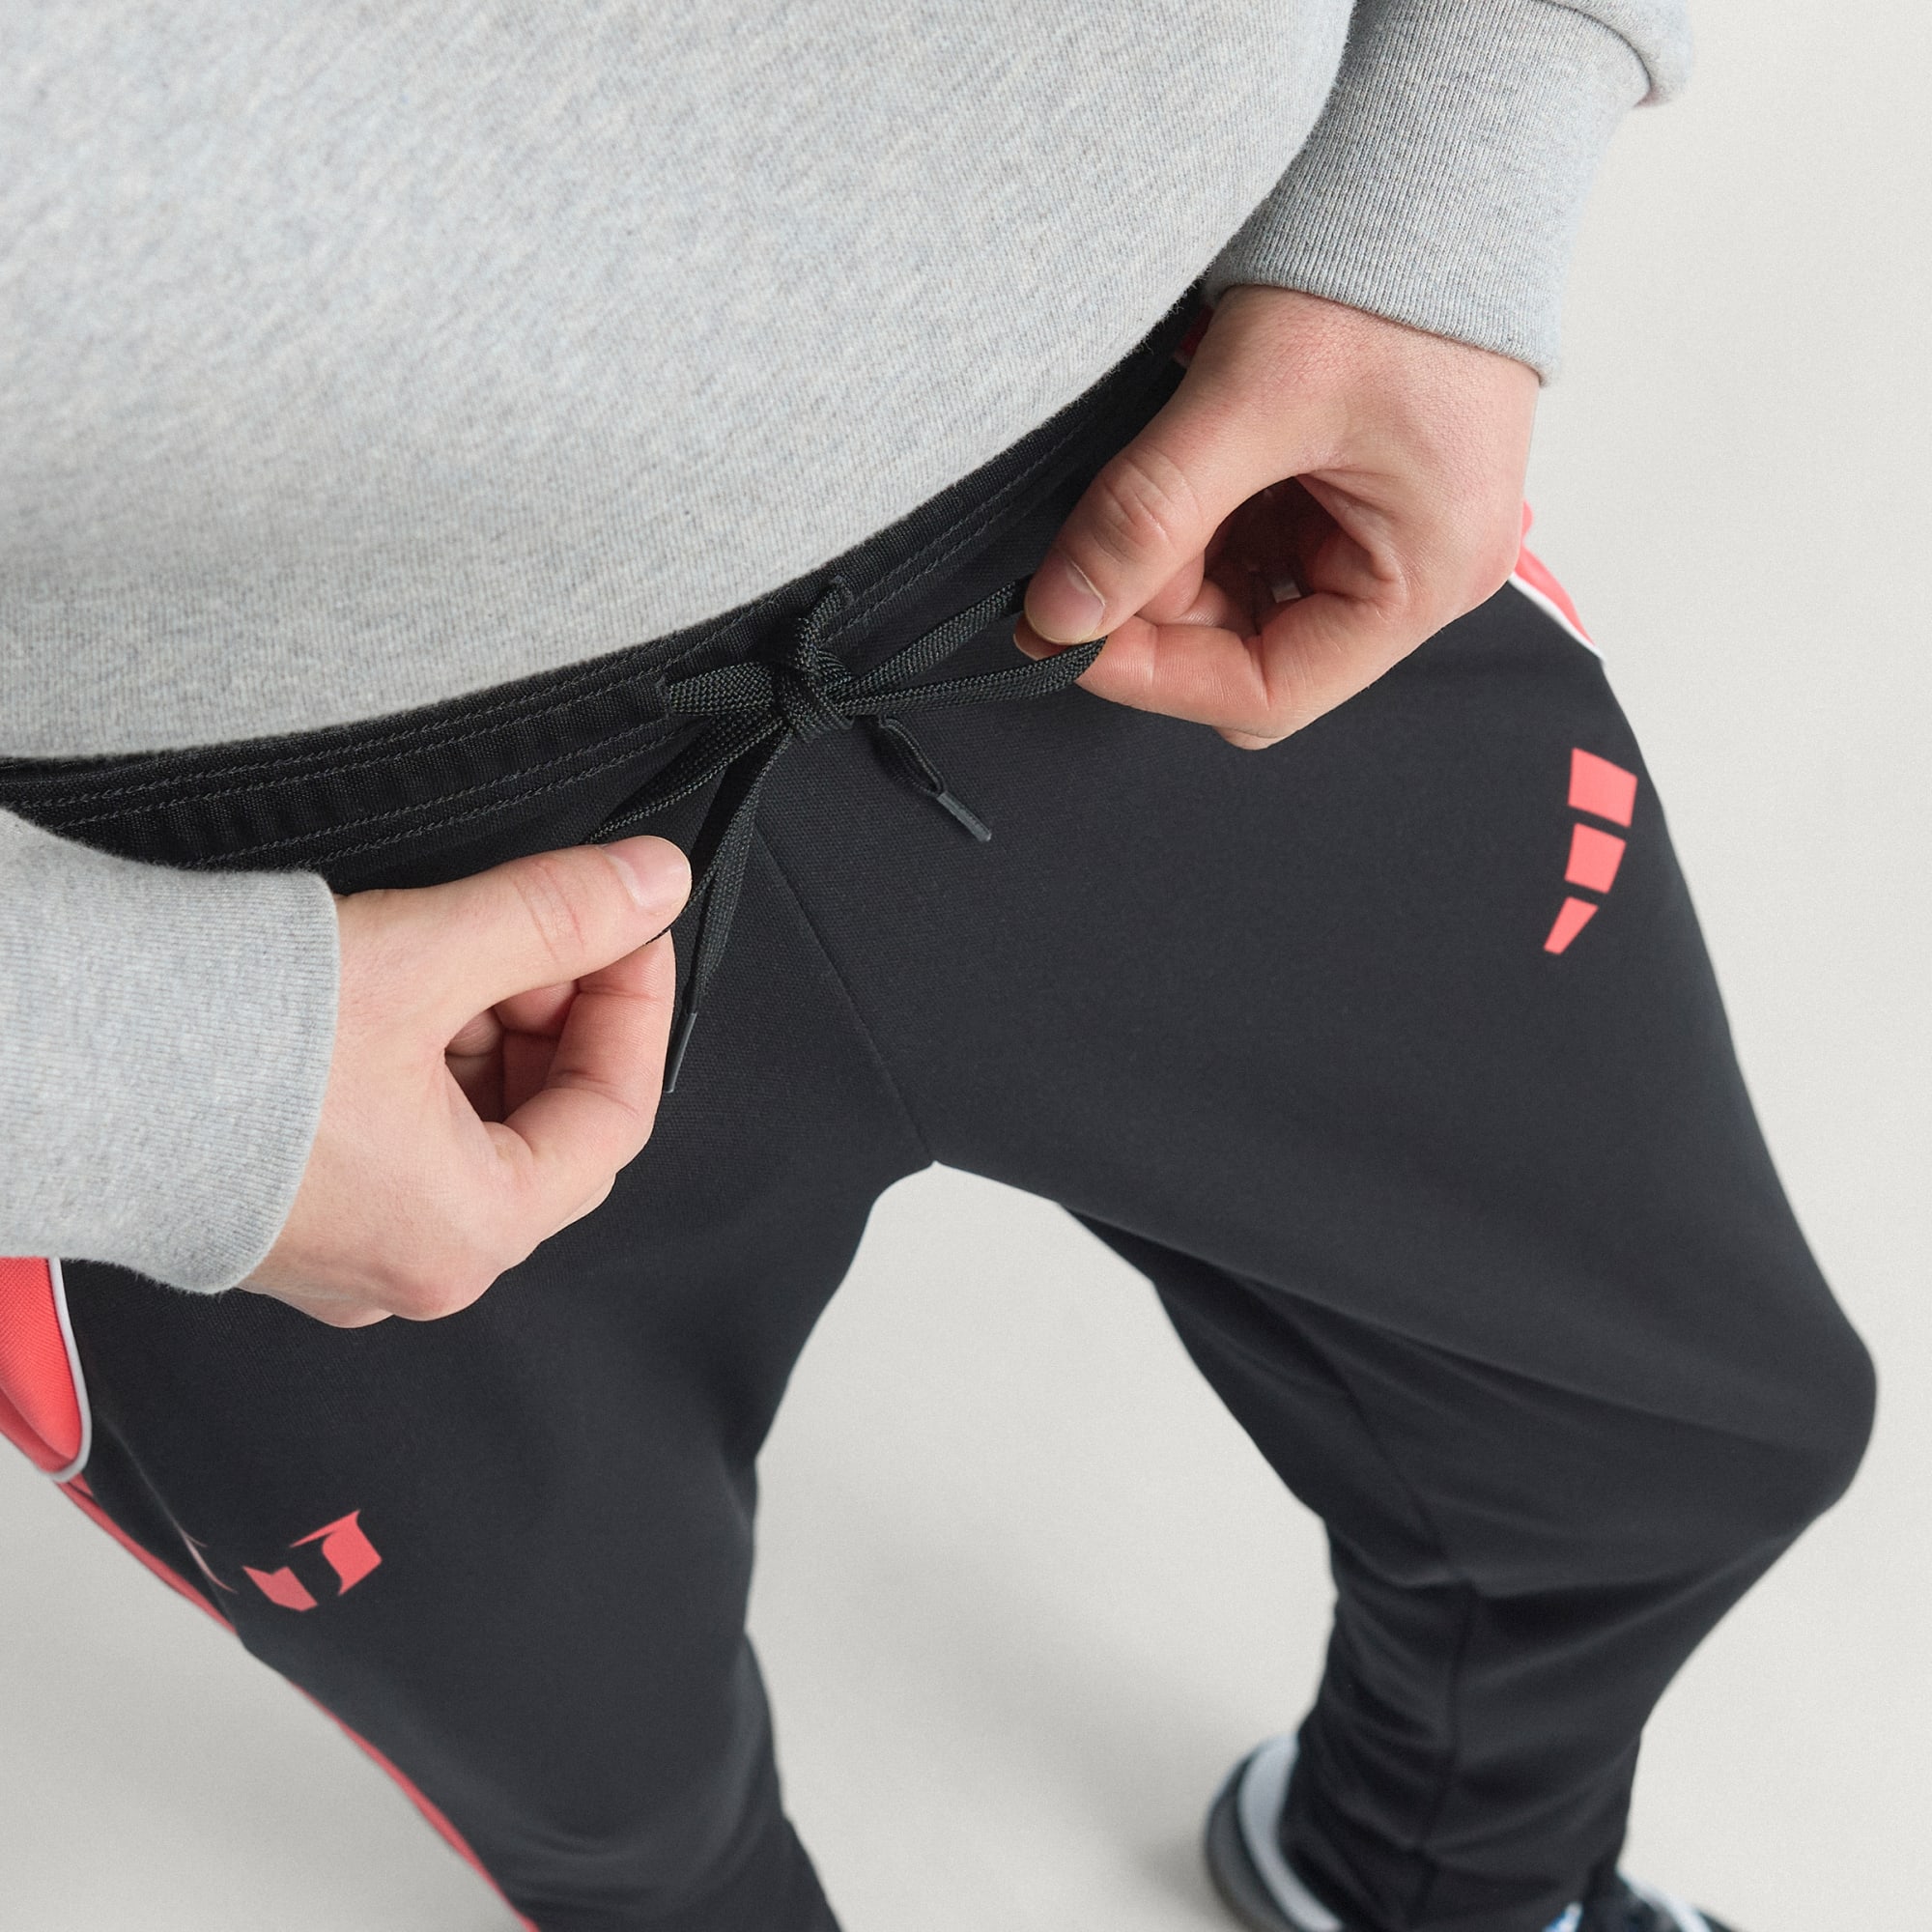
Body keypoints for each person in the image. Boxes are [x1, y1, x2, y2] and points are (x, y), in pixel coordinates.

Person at [0, 6, 1874, 1931]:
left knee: (1677, 1426)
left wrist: (1456, 152)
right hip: (220, 923)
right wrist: (142, 1065)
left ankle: (1433, 1879)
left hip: (1154, 522)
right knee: (609, 1794)